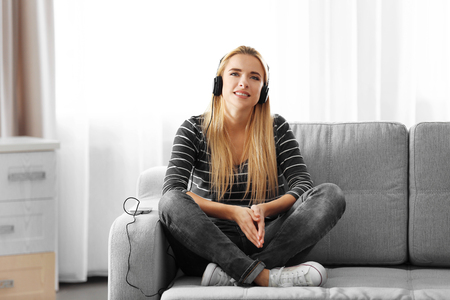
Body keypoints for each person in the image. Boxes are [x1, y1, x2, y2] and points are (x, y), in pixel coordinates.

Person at [159, 45, 346, 287]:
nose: (243, 82)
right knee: (170, 201)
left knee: (331, 195)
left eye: (254, 77)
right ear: (219, 83)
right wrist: (233, 212)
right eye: (235, 74)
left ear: (263, 90)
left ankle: (236, 272)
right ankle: (263, 276)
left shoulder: (277, 127)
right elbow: (173, 190)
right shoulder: (192, 129)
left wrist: (264, 210)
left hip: (265, 239)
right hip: (208, 245)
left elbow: (303, 184)